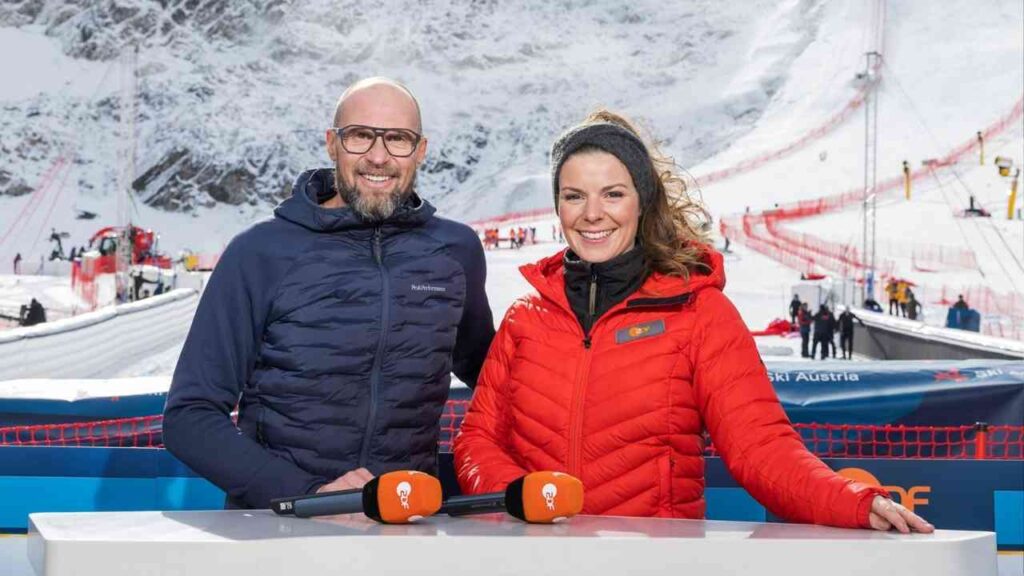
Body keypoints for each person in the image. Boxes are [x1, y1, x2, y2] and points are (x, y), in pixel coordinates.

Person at [453, 110, 931, 533]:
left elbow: (760, 446)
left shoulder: (699, 313)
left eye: (613, 193)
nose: (592, 213)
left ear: (642, 200)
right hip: (536, 559)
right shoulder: (526, 318)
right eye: (574, 196)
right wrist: (521, 499)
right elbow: (478, 439)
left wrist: (850, 502)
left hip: (655, 561)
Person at [163, 77, 495, 509]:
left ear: (421, 150)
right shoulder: (261, 253)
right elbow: (190, 417)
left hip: (405, 522)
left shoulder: (455, 252)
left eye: (398, 139)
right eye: (360, 136)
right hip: (281, 528)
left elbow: (497, 383)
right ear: (332, 144)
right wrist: (309, 496)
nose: (378, 156)